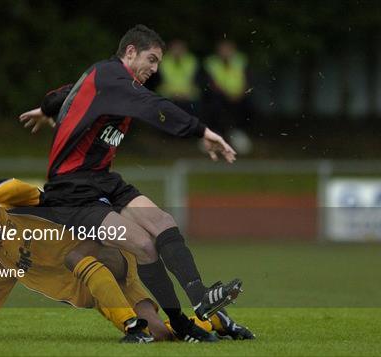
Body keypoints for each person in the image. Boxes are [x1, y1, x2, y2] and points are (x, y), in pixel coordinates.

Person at [18, 24, 241, 343]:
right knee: (143, 244)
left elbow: (71, 91)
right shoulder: (111, 76)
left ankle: (201, 298)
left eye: (158, 64)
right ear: (131, 52)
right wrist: (201, 131)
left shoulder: (111, 82)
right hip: (71, 192)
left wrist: (48, 108)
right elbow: (153, 106)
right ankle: (179, 321)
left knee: (163, 222)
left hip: (103, 180)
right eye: (151, 60)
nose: (154, 69)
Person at [0, 179, 255, 342]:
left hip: (108, 253)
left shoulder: (20, 207)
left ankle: (132, 329)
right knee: (165, 335)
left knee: (75, 255)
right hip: (98, 287)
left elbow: (15, 185)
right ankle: (216, 324)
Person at [204, 39, 253, 154]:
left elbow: (248, 80)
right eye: (223, 49)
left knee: (247, 106)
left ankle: (238, 133)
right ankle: (215, 134)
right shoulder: (212, 62)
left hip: (239, 96)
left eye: (228, 49)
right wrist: (227, 94)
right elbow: (211, 83)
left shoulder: (241, 61)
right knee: (215, 105)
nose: (225, 52)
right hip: (220, 96)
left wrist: (241, 93)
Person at [156, 39, 200, 115]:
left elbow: (193, 80)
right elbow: (166, 80)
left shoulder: (191, 60)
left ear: (185, 49)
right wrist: (176, 94)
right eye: (175, 49)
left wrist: (183, 94)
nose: (177, 51)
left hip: (188, 93)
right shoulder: (164, 61)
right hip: (169, 93)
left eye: (180, 49)